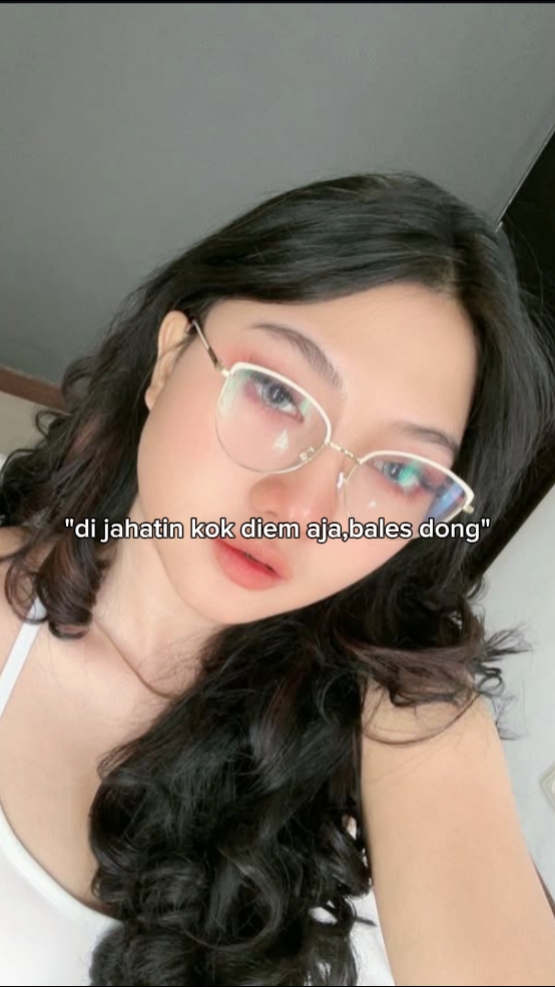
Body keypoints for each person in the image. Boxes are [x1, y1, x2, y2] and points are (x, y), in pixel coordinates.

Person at [0, 171, 554, 987]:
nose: (298, 509)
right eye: (275, 391)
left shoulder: (406, 715)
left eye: (400, 471)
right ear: (169, 359)